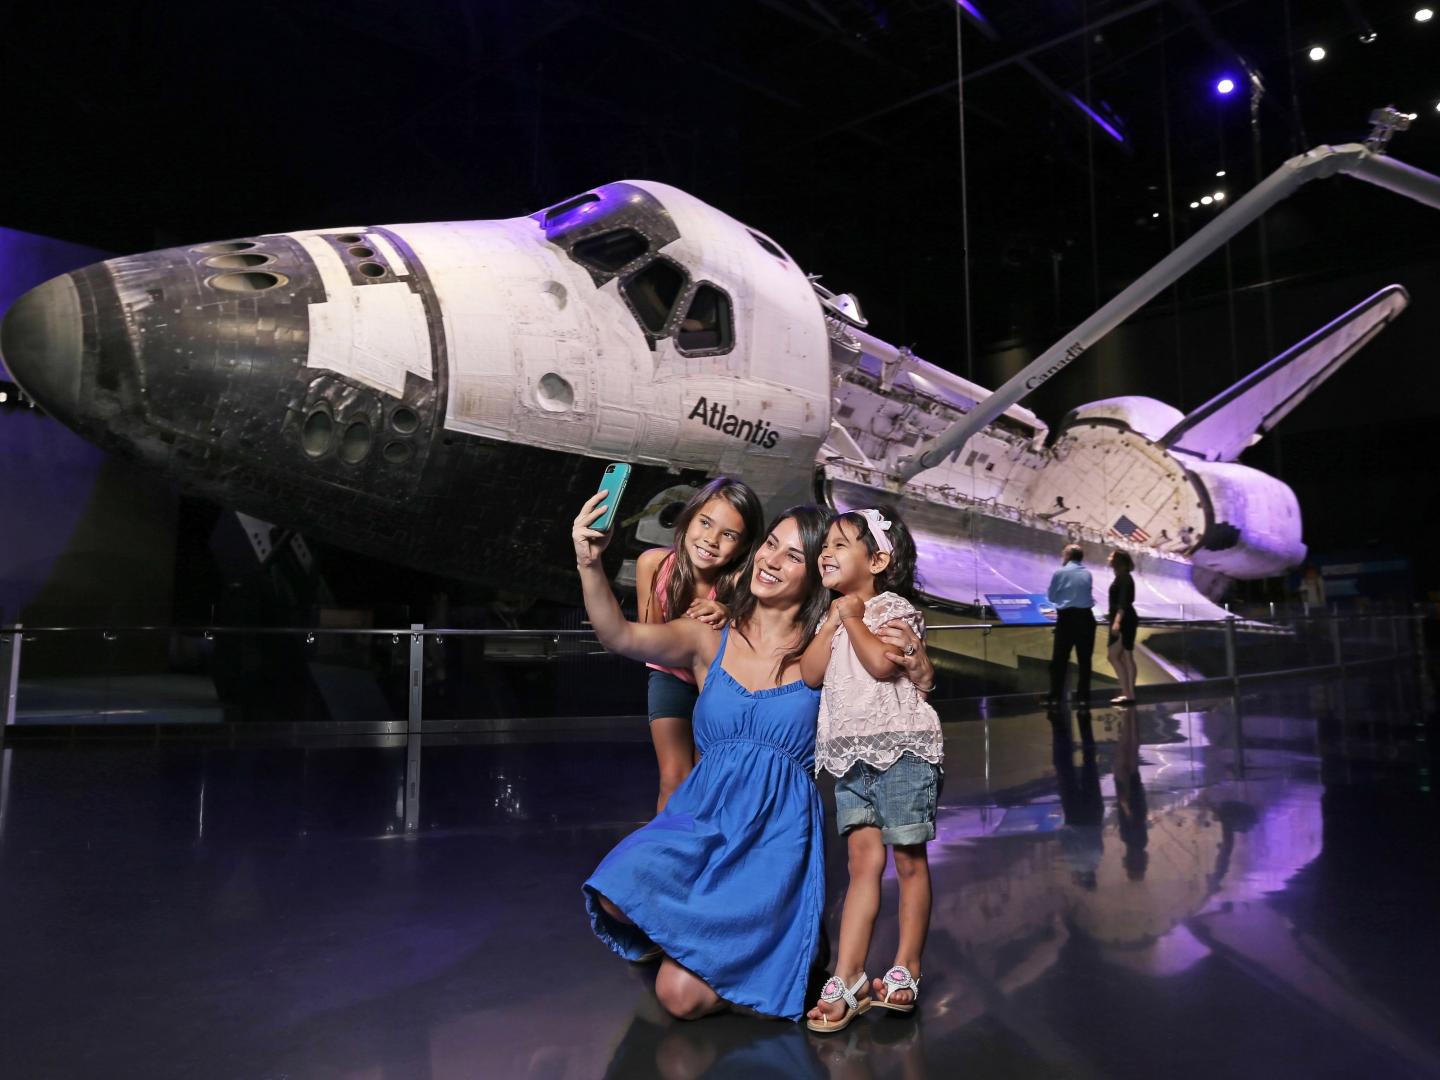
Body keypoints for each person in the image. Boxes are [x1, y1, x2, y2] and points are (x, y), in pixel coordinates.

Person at [571, 492, 937, 1022]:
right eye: (769, 544)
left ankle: (784, 942)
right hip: (704, 820)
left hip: (774, 841)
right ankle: (717, 935)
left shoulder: (832, 646)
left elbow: (893, 685)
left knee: (680, 998)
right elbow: (618, 635)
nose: (771, 559)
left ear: (818, 573)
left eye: (793, 555)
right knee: (615, 891)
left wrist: (922, 668)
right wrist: (589, 563)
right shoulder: (707, 636)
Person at [800, 507, 942, 1033]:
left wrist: (855, 618)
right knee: (862, 865)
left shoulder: (894, 608)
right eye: (825, 546)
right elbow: (811, 674)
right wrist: (834, 622)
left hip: (903, 750)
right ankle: (850, 975)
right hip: (850, 757)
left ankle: (908, 966)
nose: (826, 553)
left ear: (878, 560)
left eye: (840, 545)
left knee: (908, 861)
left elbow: (883, 664)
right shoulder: (836, 614)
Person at [634, 478, 765, 812]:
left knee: (711, 775)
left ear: (743, 546)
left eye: (729, 534)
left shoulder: (744, 581)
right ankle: (665, 844)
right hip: (669, 677)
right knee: (673, 778)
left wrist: (730, 614)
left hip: (721, 682)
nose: (711, 539)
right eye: (705, 523)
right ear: (689, 518)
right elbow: (649, 640)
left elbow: (761, 644)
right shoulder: (653, 564)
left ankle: (709, 840)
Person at [1045, 543, 1096, 709]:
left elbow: (1052, 597)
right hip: (1086, 618)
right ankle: (1083, 698)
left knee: (1059, 660)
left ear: (1067, 556)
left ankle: (1055, 697)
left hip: (1066, 619)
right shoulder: (1087, 573)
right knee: (1085, 661)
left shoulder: (1060, 573)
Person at [1106, 550, 1138, 706]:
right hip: (1124, 618)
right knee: (1124, 656)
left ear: (1117, 561)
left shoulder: (1124, 577)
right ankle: (1128, 693)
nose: (1109, 558)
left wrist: (1117, 621)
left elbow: (1123, 603)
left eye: (1111, 556)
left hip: (1124, 620)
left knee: (1119, 655)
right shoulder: (1122, 576)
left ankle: (1129, 694)